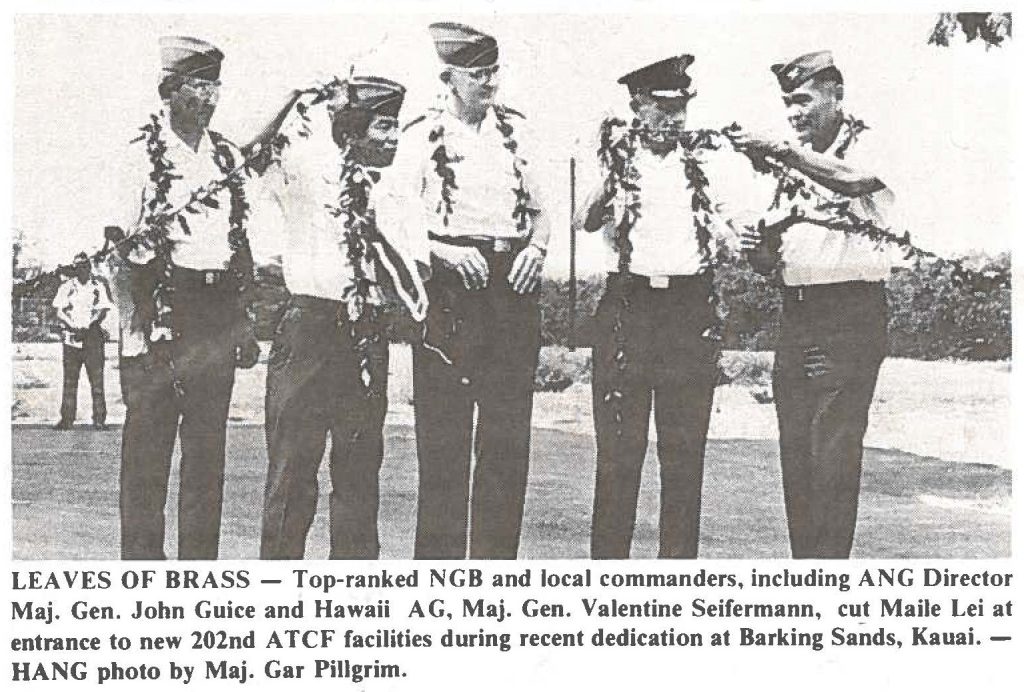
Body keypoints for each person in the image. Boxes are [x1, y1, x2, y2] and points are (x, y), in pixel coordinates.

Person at [381, 22, 549, 559]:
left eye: (493, 71)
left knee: (506, 442)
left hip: (511, 289)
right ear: (448, 77)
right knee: (445, 441)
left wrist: (537, 249)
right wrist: (442, 252)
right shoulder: (419, 136)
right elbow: (392, 219)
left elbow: (543, 212)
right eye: (477, 73)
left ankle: (495, 572)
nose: (488, 81)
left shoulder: (518, 133)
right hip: (452, 290)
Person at [577, 55, 749, 558]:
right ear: (637, 107)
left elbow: (732, 225)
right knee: (618, 455)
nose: (673, 119)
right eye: (662, 107)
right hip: (628, 309)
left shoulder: (703, 164)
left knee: (683, 456)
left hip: (687, 313)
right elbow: (585, 219)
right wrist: (613, 172)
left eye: (681, 108)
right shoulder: (614, 158)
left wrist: (743, 235)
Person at [733, 50, 897, 559]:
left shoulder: (868, 143)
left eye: (802, 99)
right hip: (797, 315)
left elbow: (852, 182)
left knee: (833, 456)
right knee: (798, 460)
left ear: (836, 95)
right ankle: (806, 577)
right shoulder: (788, 162)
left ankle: (829, 579)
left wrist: (782, 150)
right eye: (787, 103)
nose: (794, 112)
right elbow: (771, 260)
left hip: (850, 316)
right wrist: (755, 247)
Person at [256, 75, 428, 559]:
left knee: (358, 474)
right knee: (292, 472)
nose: (394, 138)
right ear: (352, 131)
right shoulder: (307, 170)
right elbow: (251, 148)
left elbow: (416, 266)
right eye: (383, 127)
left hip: (366, 334)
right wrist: (294, 94)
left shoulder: (397, 191)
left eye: (396, 128)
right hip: (309, 329)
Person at [114, 36, 260, 560]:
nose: (210, 96)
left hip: (214, 315)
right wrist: (134, 332)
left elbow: (238, 244)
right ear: (170, 89)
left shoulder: (225, 157)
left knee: (206, 456)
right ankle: (142, 575)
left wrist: (240, 321)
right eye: (199, 85)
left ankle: (200, 572)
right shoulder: (141, 157)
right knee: (148, 456)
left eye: (215, 85)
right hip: (160, 314)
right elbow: (119, 251)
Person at [51, 251, 113, 431]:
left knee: (97, 380)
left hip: (92, 338)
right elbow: (59, 311)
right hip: (72, 339)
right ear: (74, 269)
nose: (83, 269)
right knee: (70, 381)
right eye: (79, 267)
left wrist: (88, 326)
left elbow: (102, 310)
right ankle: (67, 418)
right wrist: (72, 326)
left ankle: (99, 418)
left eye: (86, 266)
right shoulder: (67, 287)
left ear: (90, 267)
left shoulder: (97, 286)